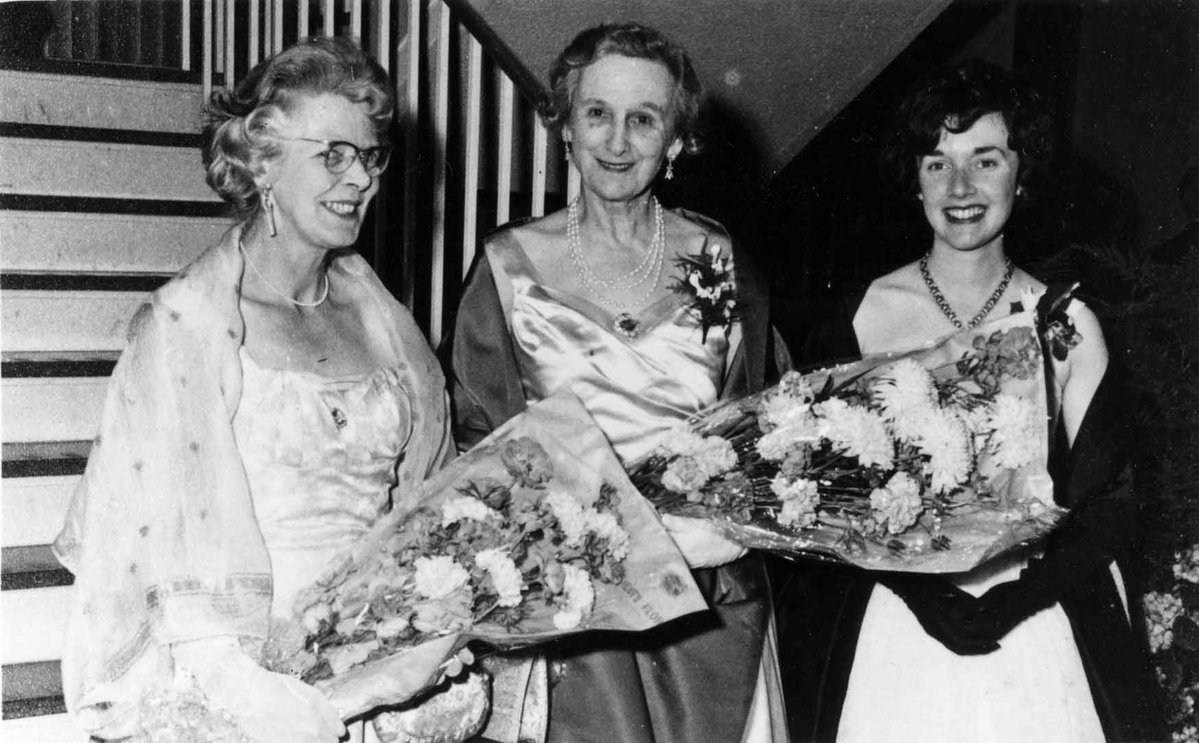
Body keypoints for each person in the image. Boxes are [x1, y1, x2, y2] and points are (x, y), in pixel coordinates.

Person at [52, 37, 459, 742]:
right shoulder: (186, 326)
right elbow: (157, 552)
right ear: (262, 161)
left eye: (369, 156)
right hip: (243, 674)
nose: (359, 178)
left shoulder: (386, 322)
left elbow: (425, 499)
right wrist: (269, 693)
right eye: (331, 154)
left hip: (380, 652)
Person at [775, 59, 1164, 742]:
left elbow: (1112, 501)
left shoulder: (1064, 322)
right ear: (913, 178)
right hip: (893, 620)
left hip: (1034, 619)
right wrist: (925, 595)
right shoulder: (860, 316)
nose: (959, 187)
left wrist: (1014, 601)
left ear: (1022, 171)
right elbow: (820, 499)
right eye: (936, 163)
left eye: (984, 161)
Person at [449, 22, 791, 743]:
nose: (616, 141)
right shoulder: (509, 264)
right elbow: (479, 442)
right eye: (596, 113)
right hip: (575, 610)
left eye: (644, 119)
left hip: (706, 598)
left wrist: (719, 528)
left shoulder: (721, 259)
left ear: (674, 142)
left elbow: (768, 430)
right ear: (565, 128)